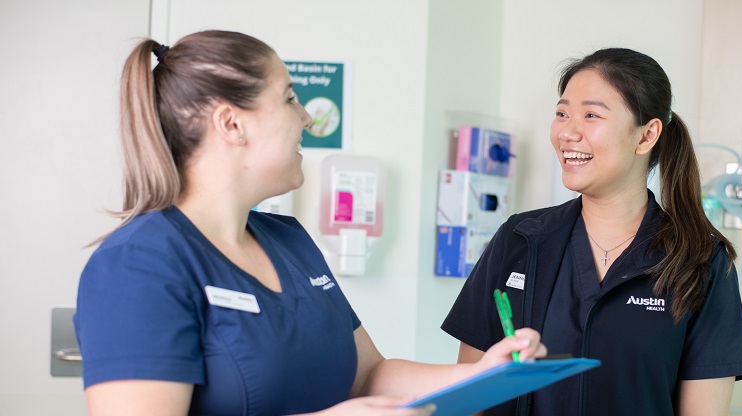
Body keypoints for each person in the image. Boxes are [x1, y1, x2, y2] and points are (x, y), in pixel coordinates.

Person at [73, 30, 547, 416]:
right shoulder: (138, 264)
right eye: (290, 99)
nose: (306, 119)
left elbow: (368, 375)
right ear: (231, 124)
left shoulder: (288, 242)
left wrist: (483, 372)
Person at [441, 48, 742, 416]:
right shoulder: (519, 239)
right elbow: (468, 394)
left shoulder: (700, 260)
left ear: (646, 135)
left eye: (591, 115)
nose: (567, 132)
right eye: (561, 114)